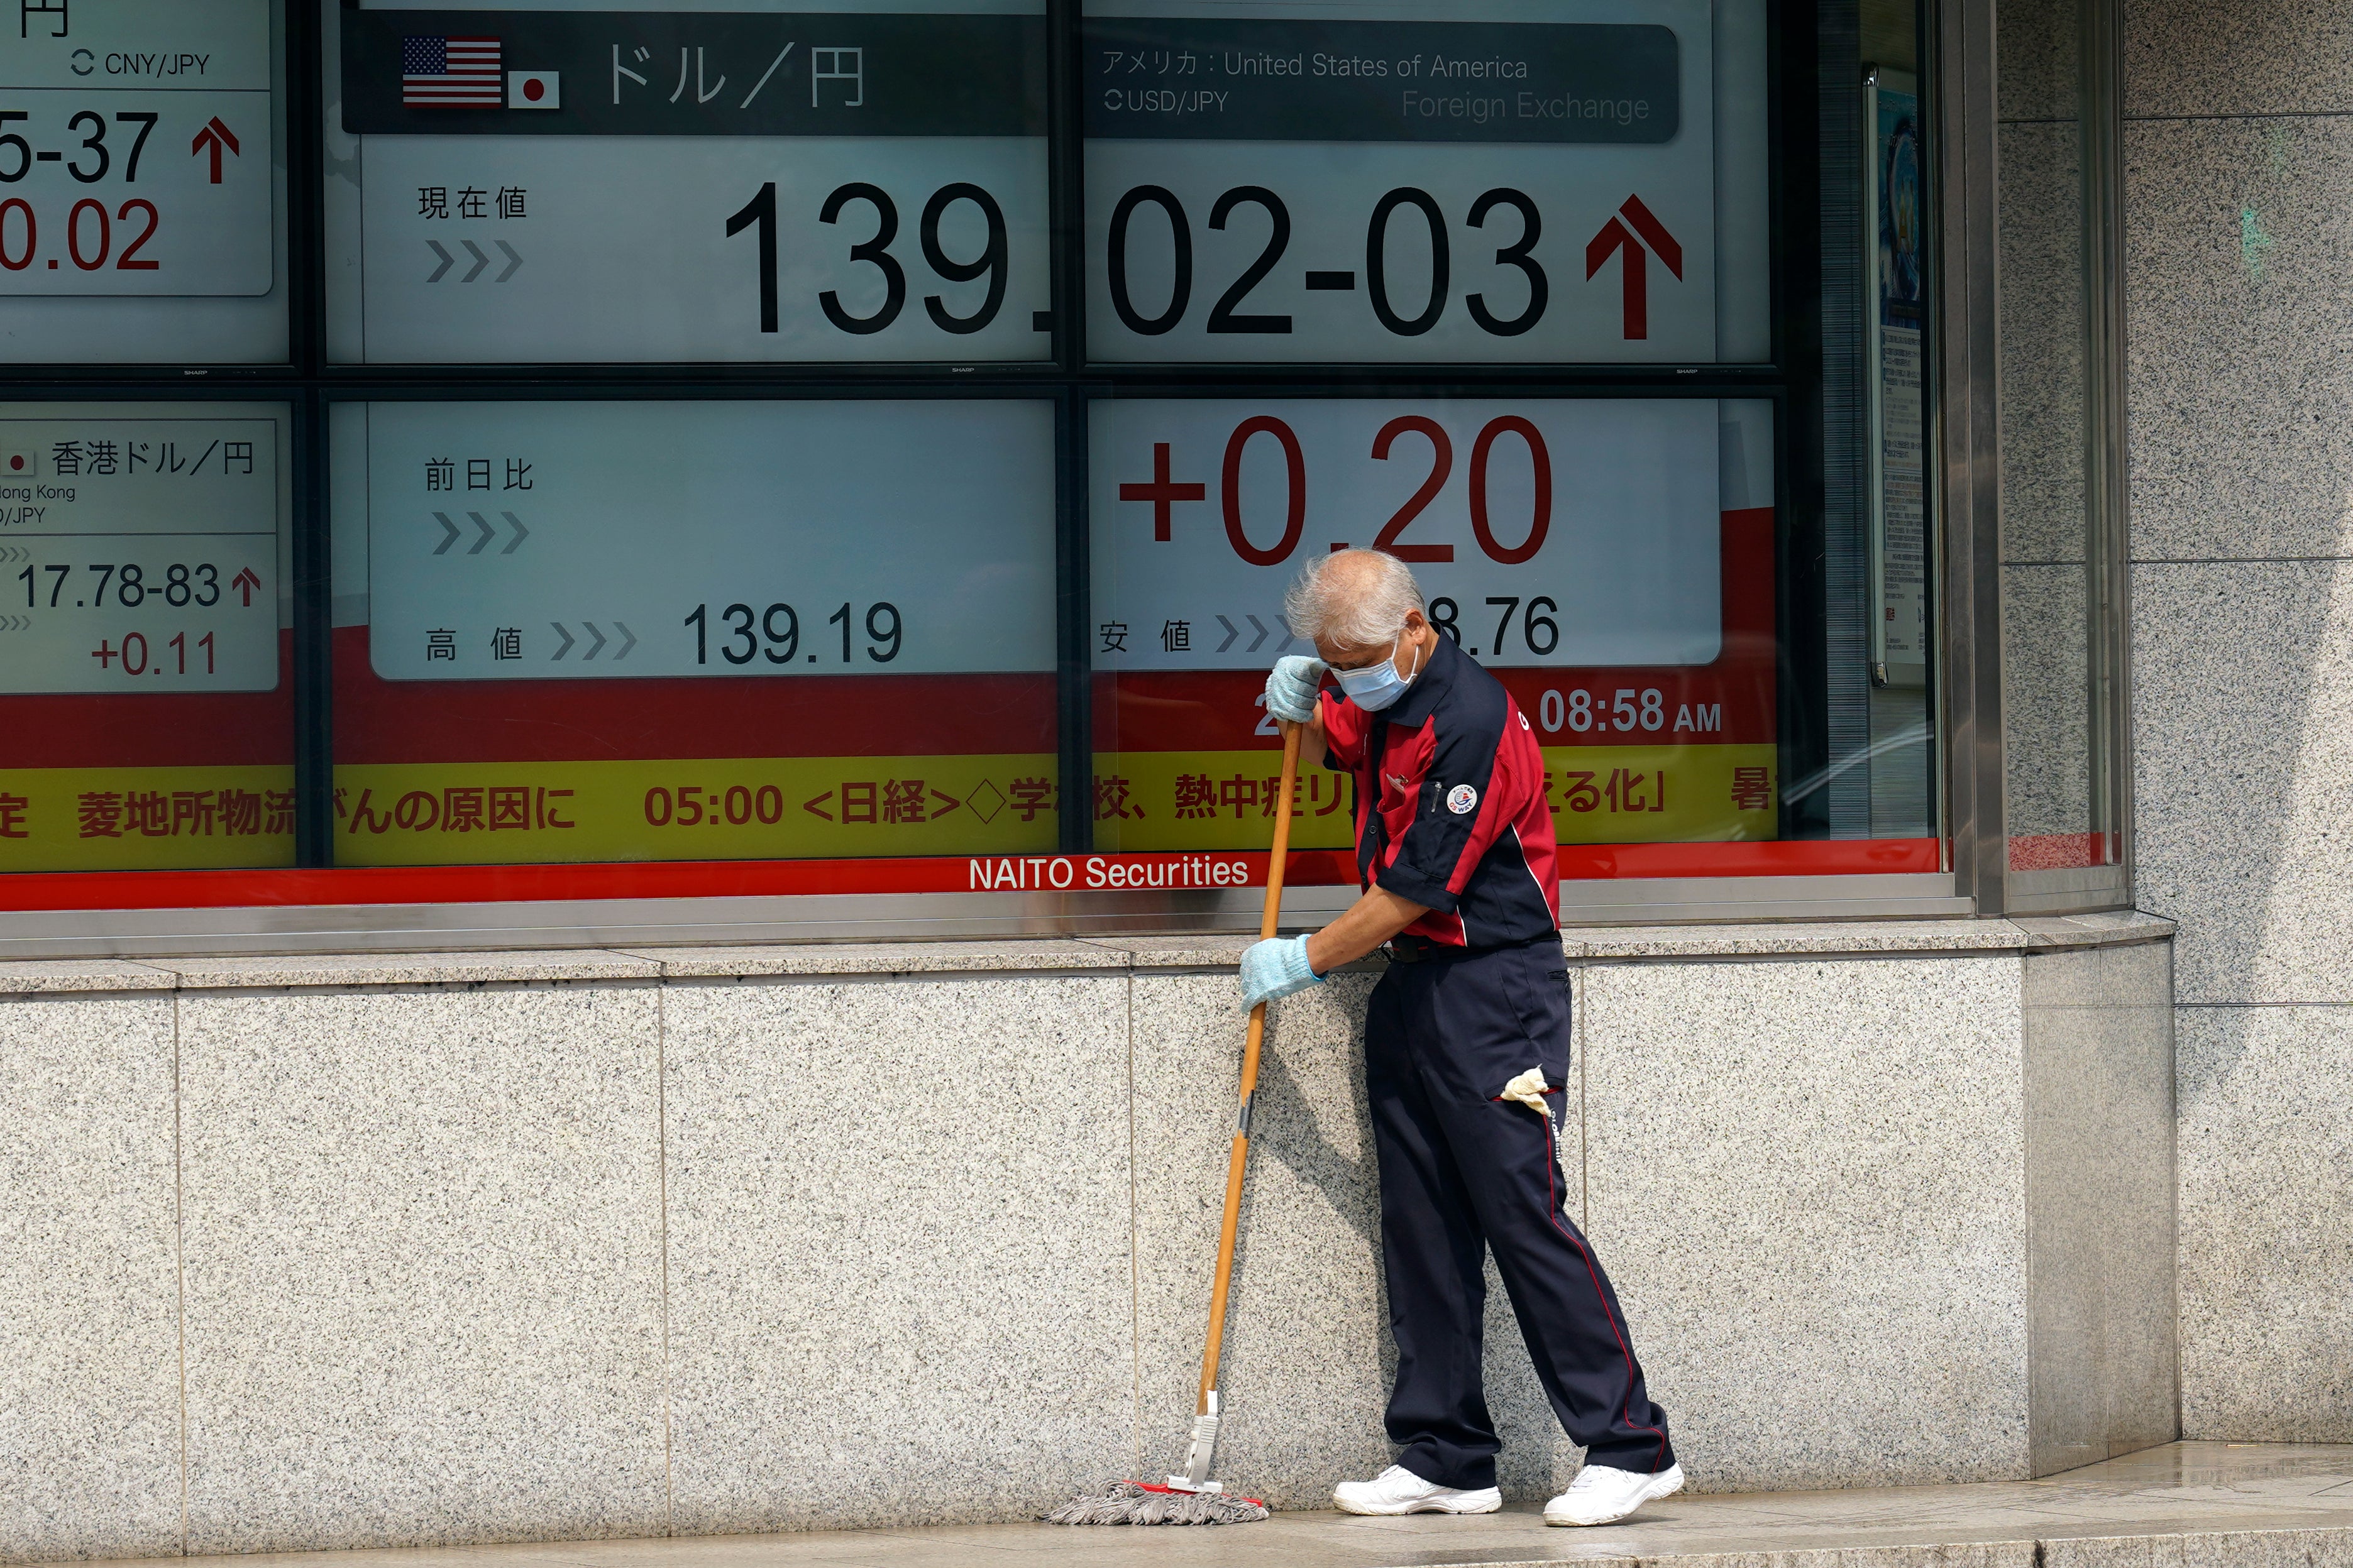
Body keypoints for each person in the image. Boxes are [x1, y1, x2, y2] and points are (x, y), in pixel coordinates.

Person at [1238, 548, 1682, 1528]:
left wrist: (1303, 958)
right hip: (1413, 988)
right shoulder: (1383, 693)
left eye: (1356, 656)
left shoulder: (1471, 719)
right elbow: (1341, 742)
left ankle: (1630, 1445)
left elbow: (1412, 891)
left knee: (1522, 1214)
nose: (1351, 673)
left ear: (1415, 629)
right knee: (1423, 1223)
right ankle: (1446, 1453)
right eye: (1331, 657)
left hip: (1496, 989)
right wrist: (1305, 709)